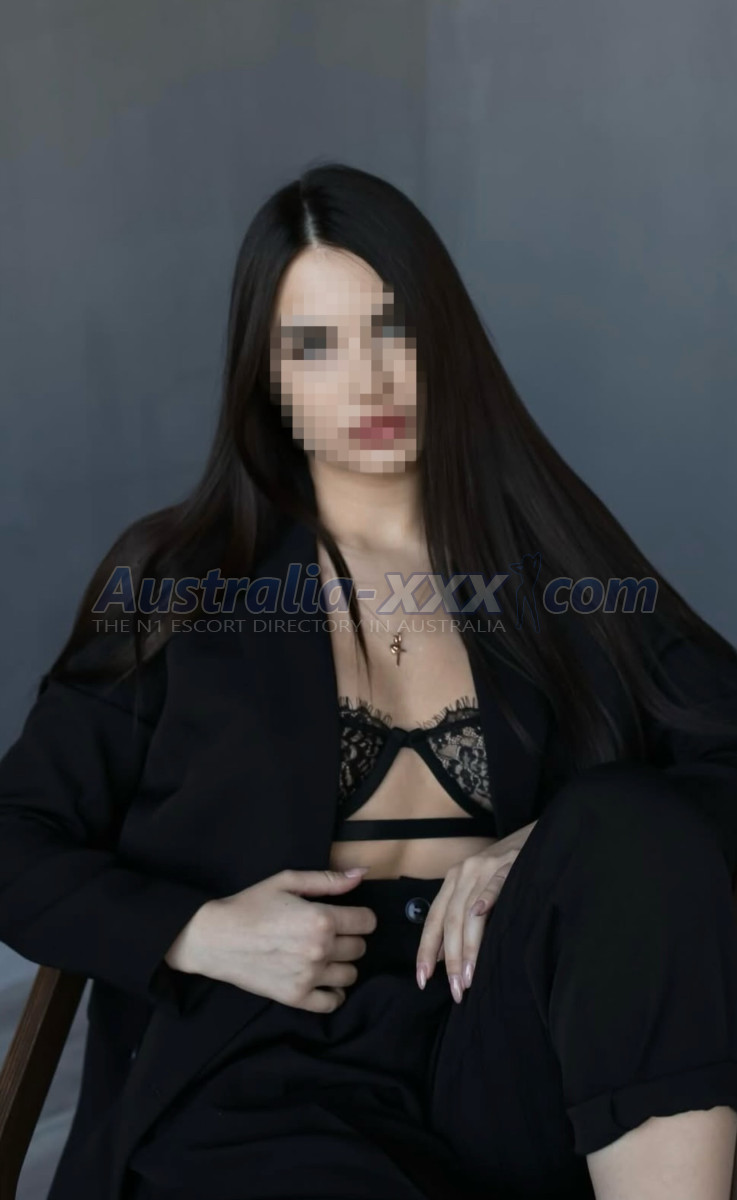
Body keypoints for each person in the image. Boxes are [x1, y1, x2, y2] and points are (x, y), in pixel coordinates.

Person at [2, 162, 737, 1200]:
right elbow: (14, 833)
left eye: (392, 329)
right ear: (265, 379)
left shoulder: (555, 570)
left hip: (500, 1061)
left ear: (444, 340)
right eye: (316, 346)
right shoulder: (181, 582)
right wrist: (199, 932)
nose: (369, 382)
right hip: (263, 1078)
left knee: (627, 825)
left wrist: (548, 846)